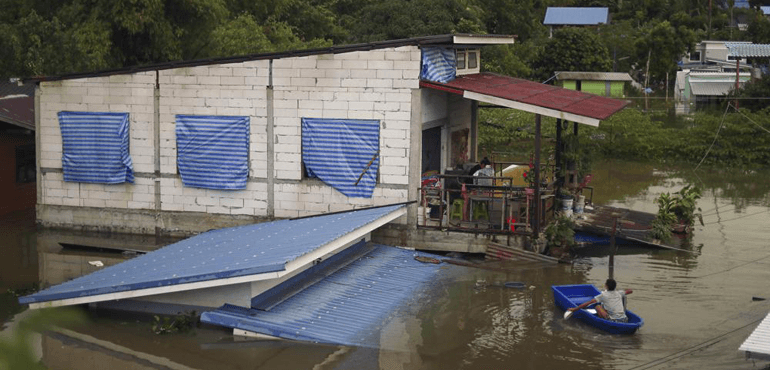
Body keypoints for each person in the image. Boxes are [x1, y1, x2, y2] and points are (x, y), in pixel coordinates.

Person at [568, 278, 633, 322]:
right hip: (624, 319)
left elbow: (588, 303)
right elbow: (630, 291)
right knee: (605, 307)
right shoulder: (619, 293)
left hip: (614, 320)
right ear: (615, 287)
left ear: (606, 286)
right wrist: (625, 291)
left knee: (598, 306)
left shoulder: (603, 295)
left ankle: (601, 321)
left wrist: (575, 309)